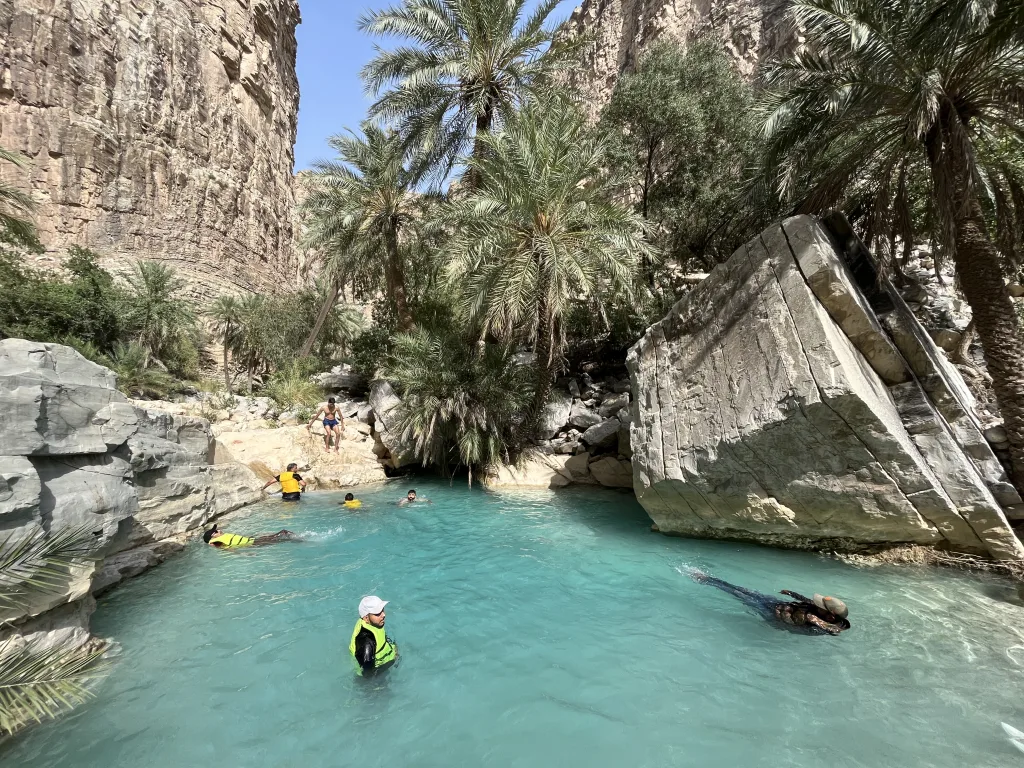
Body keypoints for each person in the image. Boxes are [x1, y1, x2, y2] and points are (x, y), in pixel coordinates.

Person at [690, 569, 850, 635]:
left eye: (821, 605)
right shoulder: (816, 608)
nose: (816, 604)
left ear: (830, 615)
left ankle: (706, 580)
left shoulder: (815, 619)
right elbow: (805, 600)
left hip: (771, 613)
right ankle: (710, 579)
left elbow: (827, 628)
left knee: (740, 595)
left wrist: (832, 628)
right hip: (776, 603)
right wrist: (791, 593)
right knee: (746, 591)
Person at [349, 595, 398, 675]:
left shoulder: (373, 624)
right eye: (377, 613)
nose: (383, 615)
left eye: (382, 610)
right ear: (366, 618)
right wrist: (391, 663)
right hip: (377, 677)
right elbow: (368, 673)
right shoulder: (367, 642)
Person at [202, 524, 300, 548]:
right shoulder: (215, 542)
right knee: (280, 538)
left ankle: (297, 538)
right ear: (213, 536)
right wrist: (244, 554)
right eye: (216, 531)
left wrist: (257, 534)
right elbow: (227, 549)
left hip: (253, 540)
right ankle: (299, 539)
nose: (219, 530)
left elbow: (240, 537)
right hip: (254, 544)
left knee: (280, 535)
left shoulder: (220, 538)